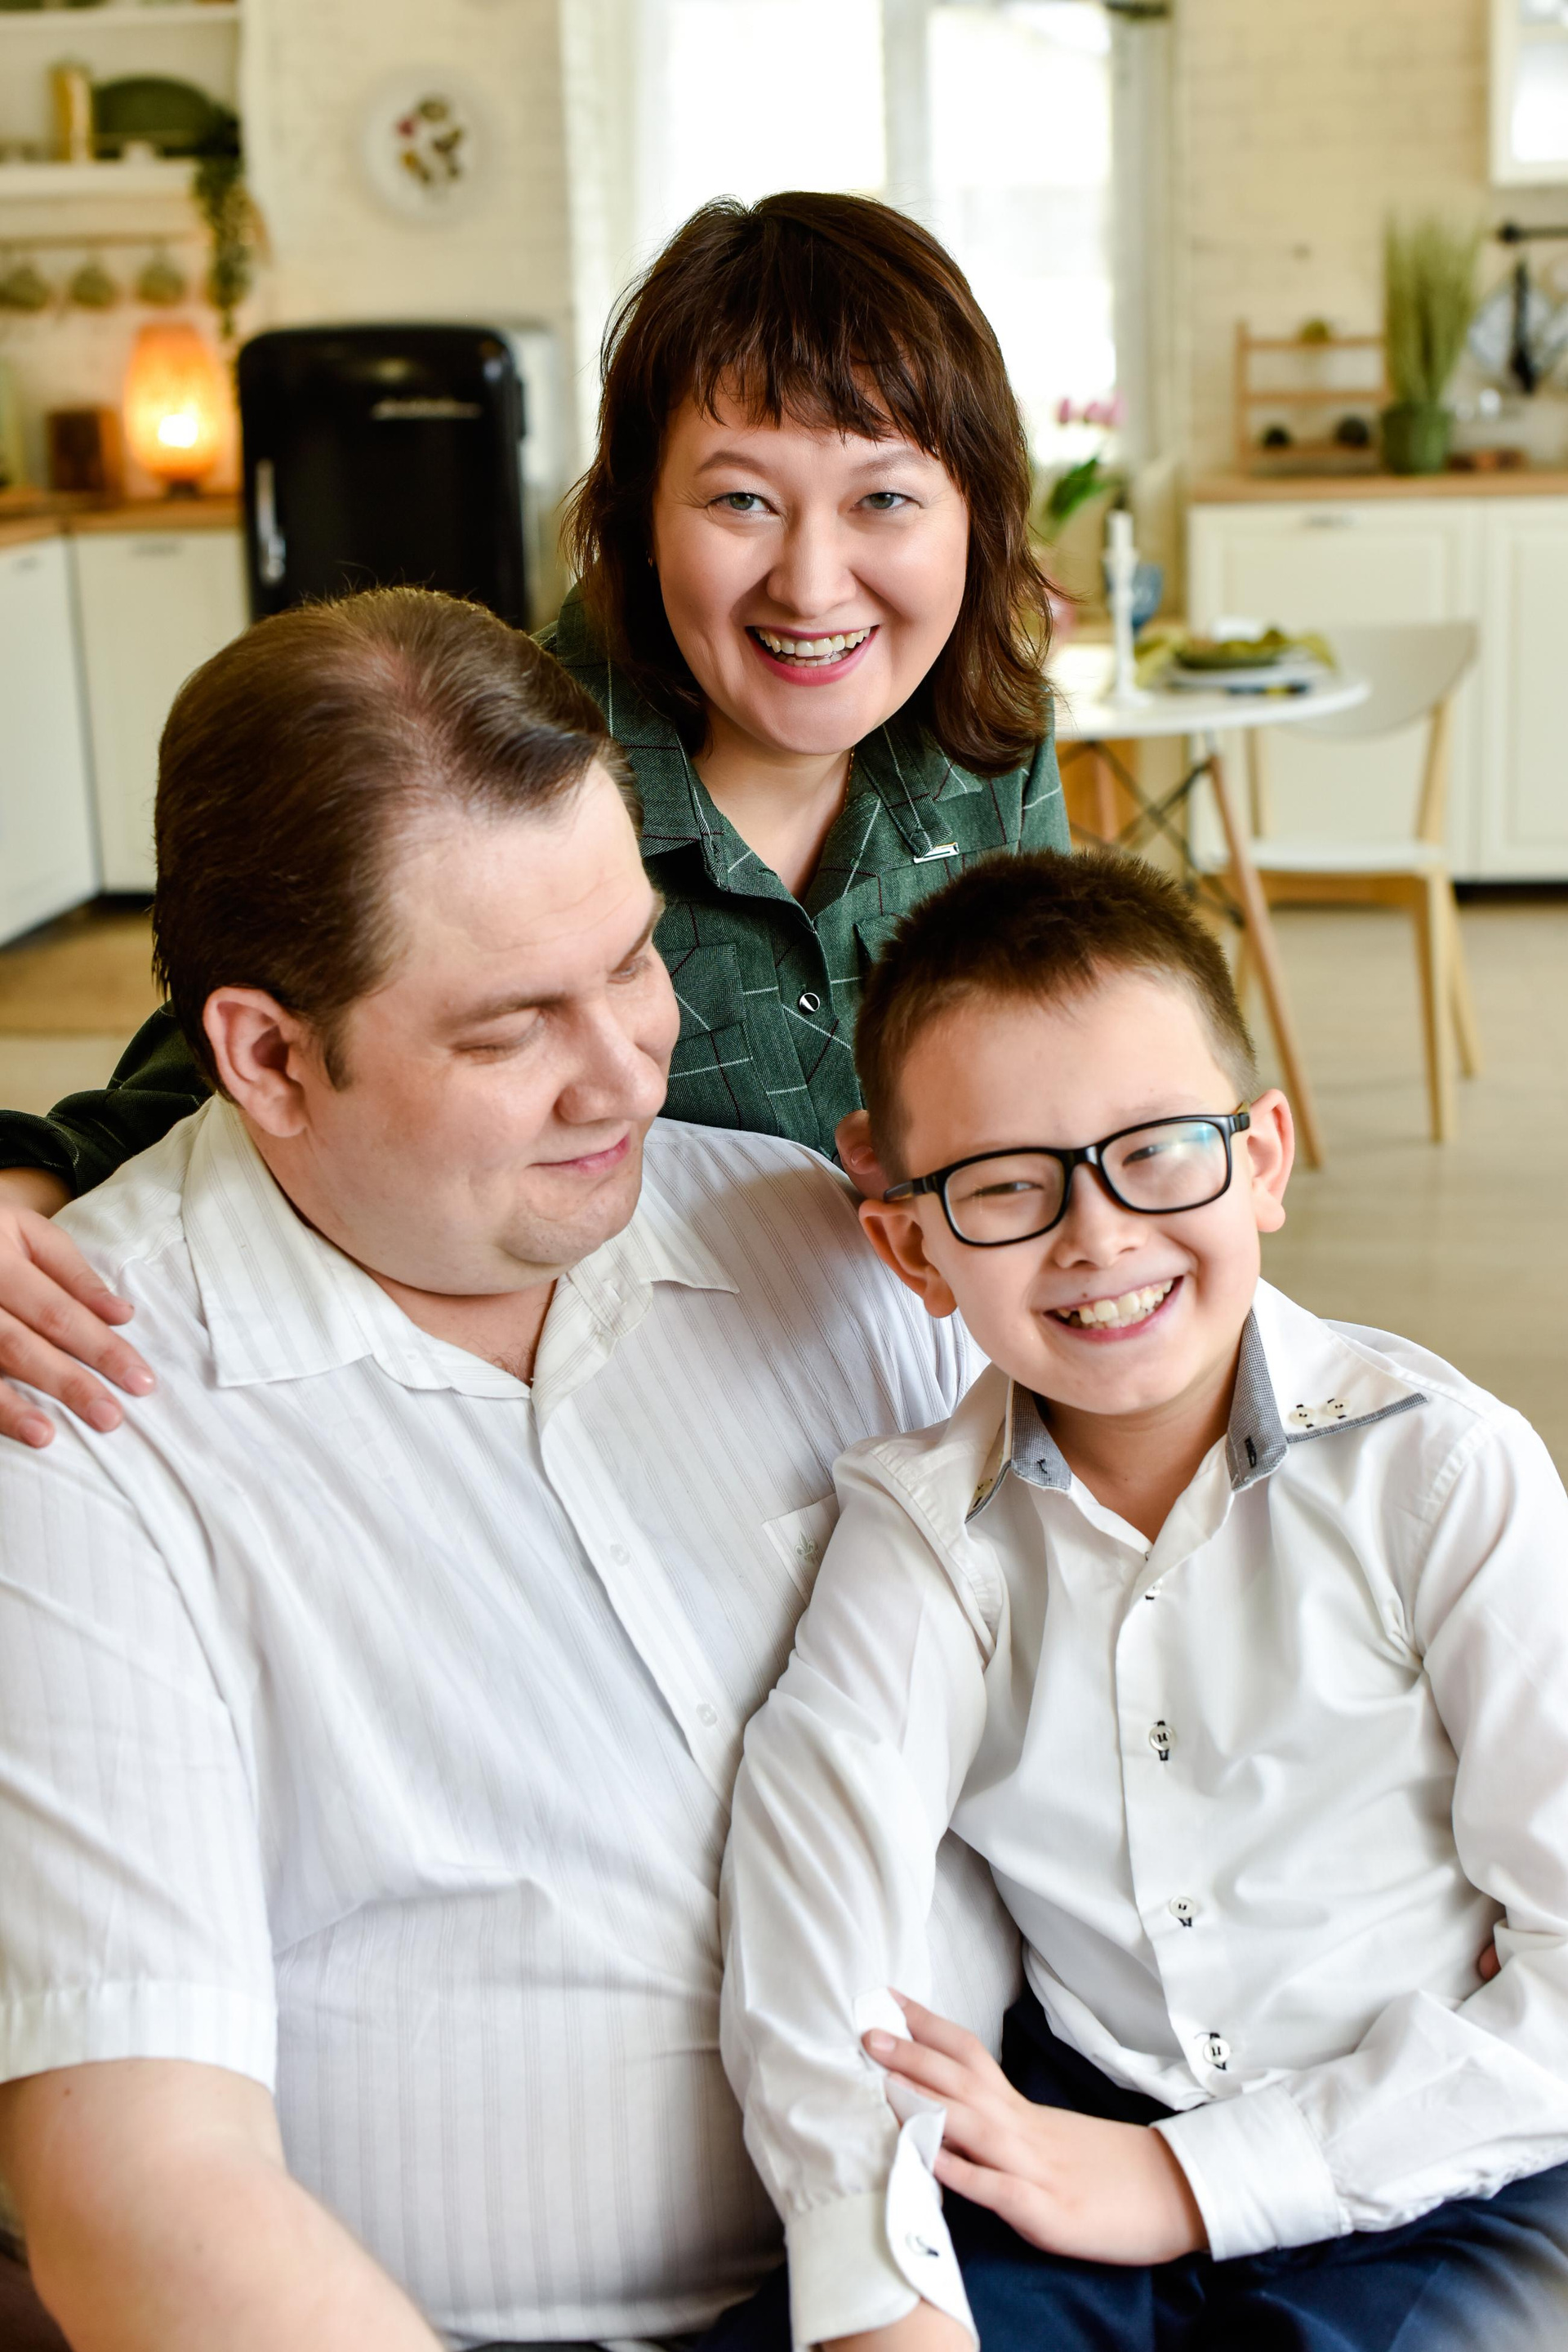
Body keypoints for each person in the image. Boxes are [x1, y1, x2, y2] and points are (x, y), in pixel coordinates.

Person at [0, 589, 1022, 2352]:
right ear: (267, 1056)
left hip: (1024, 2240)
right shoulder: (80, 1421)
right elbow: (145, 2201)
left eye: (629, 961)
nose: (625, 1074)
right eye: (507, 1030)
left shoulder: (814, 1242)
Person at [0, 189, 1067, 1450]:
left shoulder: (985, 739)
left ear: (975, 510)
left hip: (939, 1391)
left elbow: (1062, 1041)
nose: (813, 583)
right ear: (638, 516)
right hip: (628, 1442)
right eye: (741, 502)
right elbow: (227, 1062)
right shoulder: (519, 767)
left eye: (884, 500)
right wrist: (27, 1184)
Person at [717, 849, 1568, 2352]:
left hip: (1446, 2160)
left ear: (1265, 1160)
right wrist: (876, 2278)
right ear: (911, 1246)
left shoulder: (1443, 1475)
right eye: (1005, 1184)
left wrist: (1187, 2184)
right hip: (1075, 2146)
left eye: (1159, 1150)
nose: (1098, 1235)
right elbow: (816, 1882)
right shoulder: (924, 1533)